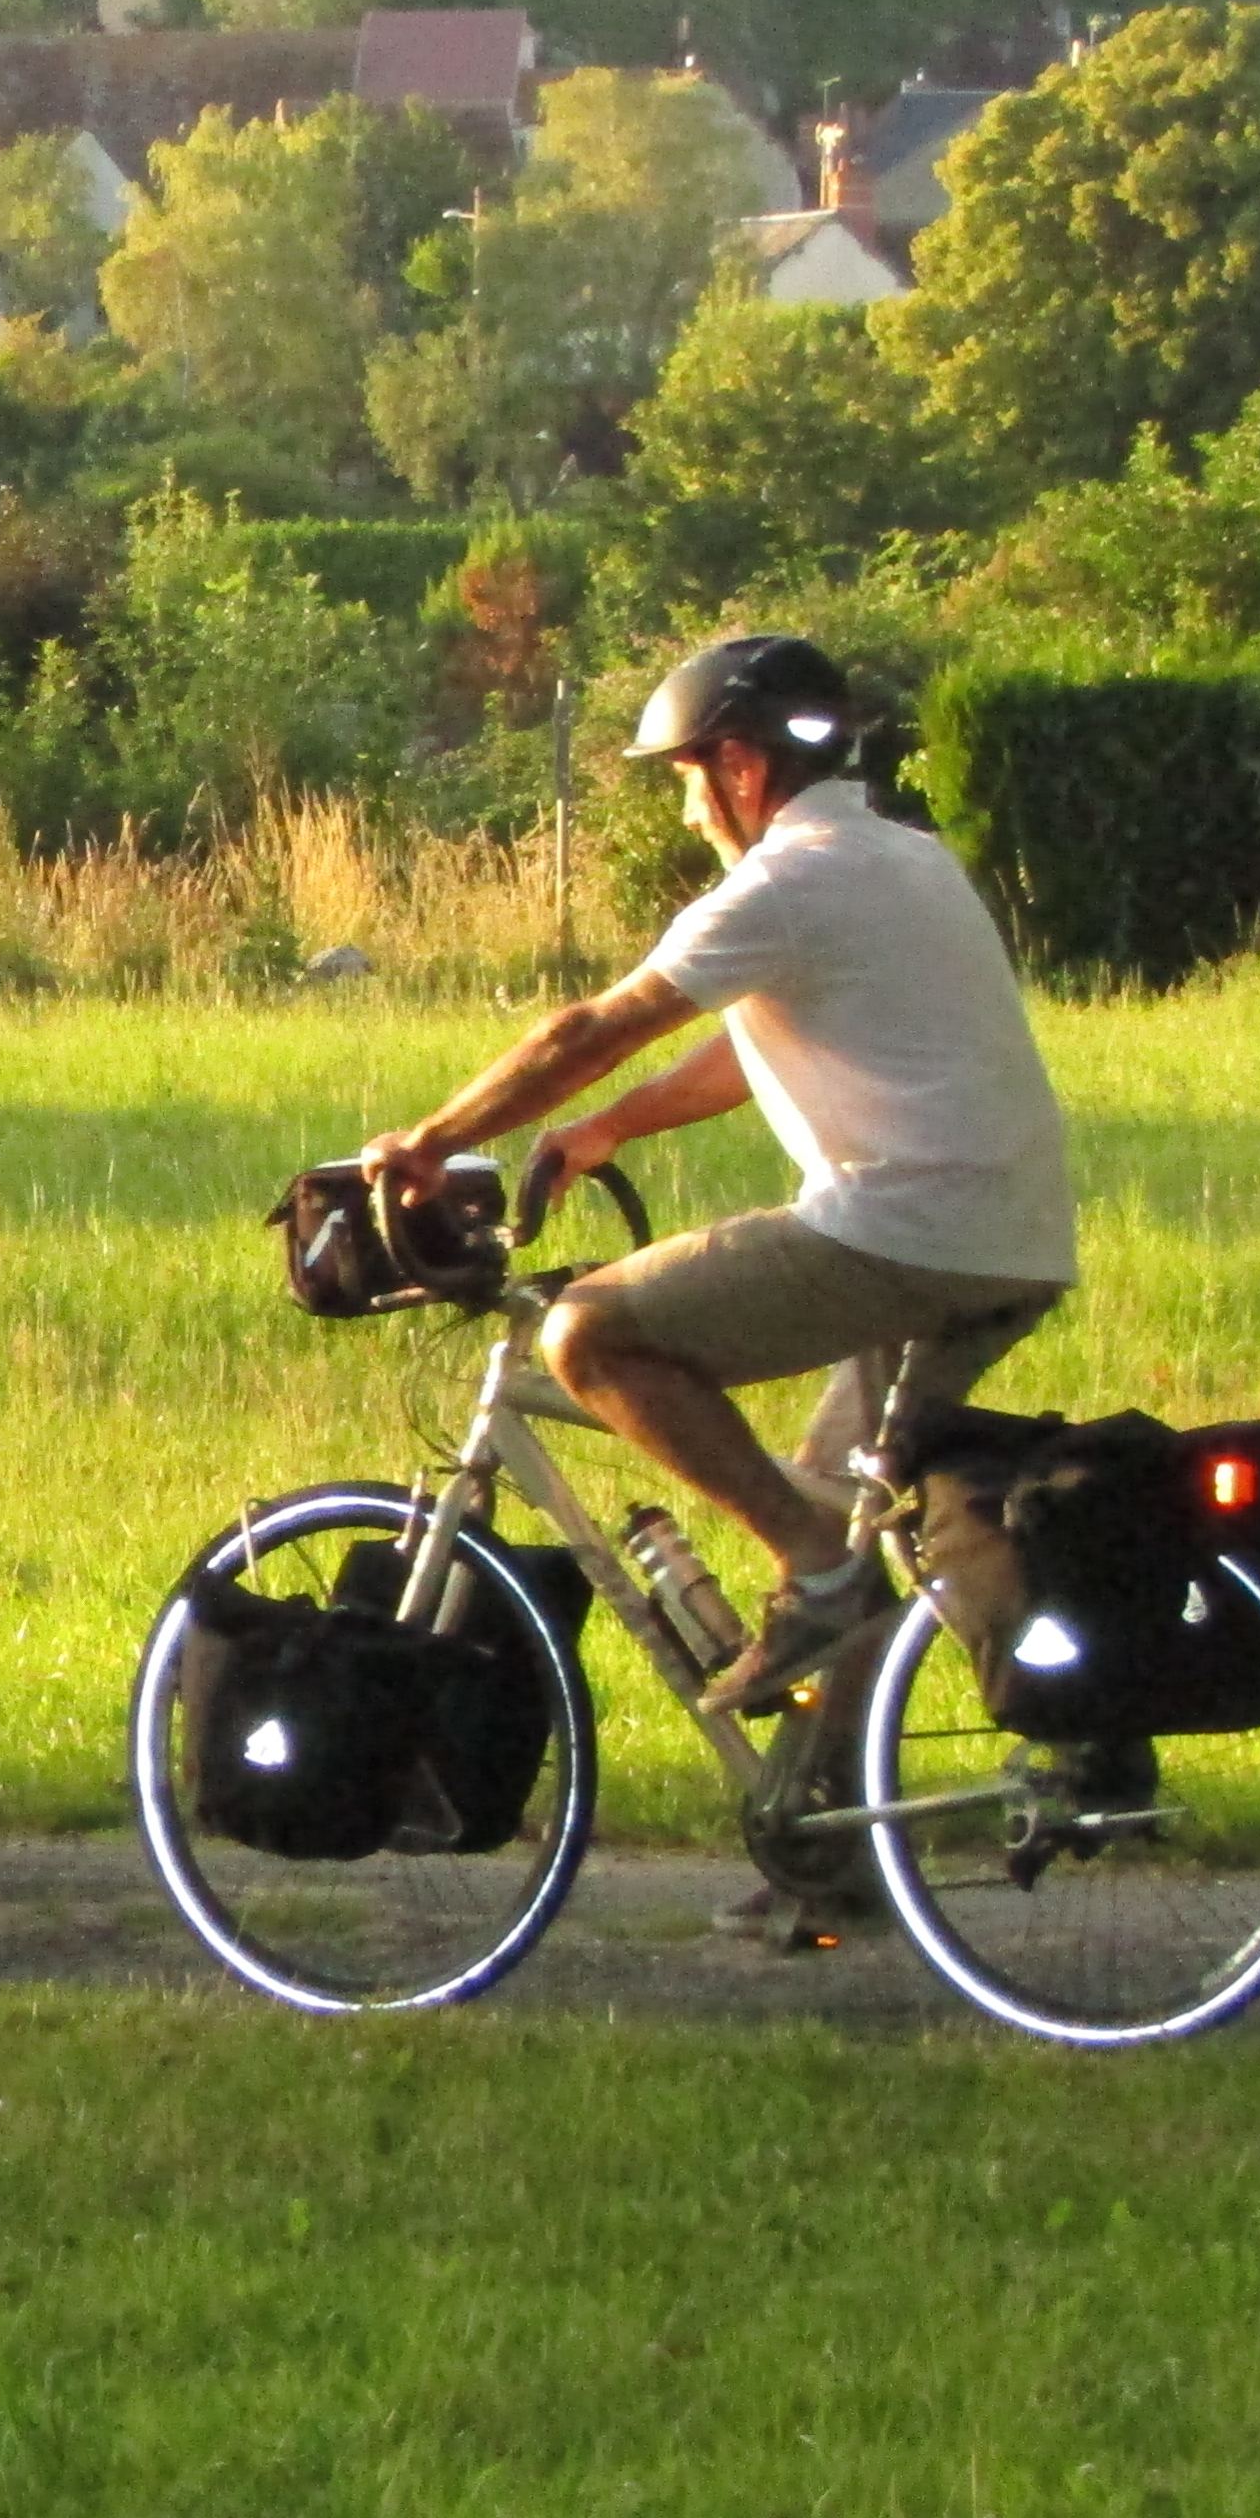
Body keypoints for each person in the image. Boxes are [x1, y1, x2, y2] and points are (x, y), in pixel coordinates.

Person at [352, 631, 1074, 1724]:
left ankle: (817, 1570)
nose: (690, 812)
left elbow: (587, 1028)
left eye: (689, 779)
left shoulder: (787, 880)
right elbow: (758, 1043)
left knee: (588, 1334)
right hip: (1008, 1242)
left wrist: (428, 1140)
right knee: (847, 1507)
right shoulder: (903, 857)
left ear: (739, 765)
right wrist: (614, 1125)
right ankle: (830, 1863)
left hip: (898, 1234)